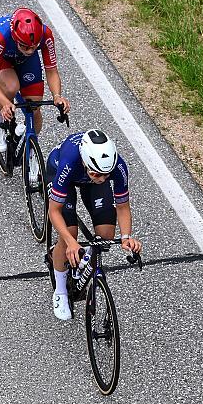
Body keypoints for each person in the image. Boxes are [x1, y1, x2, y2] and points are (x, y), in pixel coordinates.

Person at [46, 129, 142, 320]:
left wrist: (126, 237)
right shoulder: (69, 162)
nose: (103, 179)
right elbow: (53, 211)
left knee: (105, 236)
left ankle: (85, 261)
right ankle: (60, 291)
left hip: (87, 177)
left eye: (106, 175)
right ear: (86, 163)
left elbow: (122, 207)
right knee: (68, 236)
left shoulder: (115, 167)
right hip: (60, 172)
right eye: (97, 174)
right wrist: (70, 242)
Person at [0, 7, 71, 154]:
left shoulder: (45, 35)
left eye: (34, 47)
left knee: (34, 106)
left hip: (21, 58)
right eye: (26, 47)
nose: (30, 51)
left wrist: (57, 96)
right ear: (16, 39)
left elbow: (52, 71)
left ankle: (28, 146)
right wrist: (5, 103)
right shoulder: (2, 36)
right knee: (10, 86)